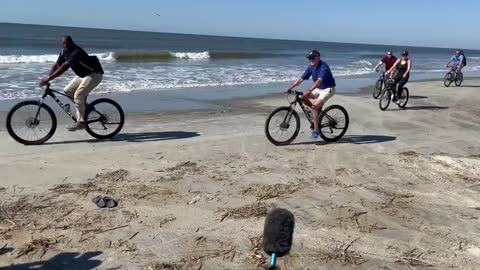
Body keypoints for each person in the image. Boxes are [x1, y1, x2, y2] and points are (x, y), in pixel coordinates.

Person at [40, 35, 104, 131]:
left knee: (78, 95)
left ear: (72, 42)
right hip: (82, 75)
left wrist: (49, 80)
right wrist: (48, 77)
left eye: (67, 43)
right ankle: (87, 108)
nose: (65, 45)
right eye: (63, 43)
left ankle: (81, 122)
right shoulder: (63, 51)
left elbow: (64, 67)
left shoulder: (76, 52)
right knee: (68, 91)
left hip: (94, 74)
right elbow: (57, 65)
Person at [287, 50, 336, 139]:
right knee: (302, 97)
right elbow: (301, 79)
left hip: (328, 89)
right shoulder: (311, 67)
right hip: (318, 89)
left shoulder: (323, 67)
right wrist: (291, 87)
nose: (311, 60)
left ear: (318, 57)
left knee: (314, 107)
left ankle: (316, 130)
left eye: (312, 58)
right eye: (309, 58)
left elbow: (319, 81)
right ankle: (315, 112)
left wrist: (309, 90)